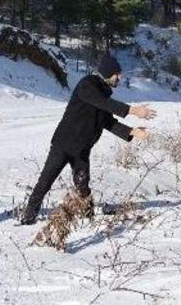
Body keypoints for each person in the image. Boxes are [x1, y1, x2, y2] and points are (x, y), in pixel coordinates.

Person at [19, 53, 156, 225]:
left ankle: (87, 216)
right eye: (117, 74)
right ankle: (28, 217)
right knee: (45, 182)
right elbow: (102, 103)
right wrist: (133, 110)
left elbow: (107, 121)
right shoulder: (87, 84)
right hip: (63, 145)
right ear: (107, 72)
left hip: (82, 150)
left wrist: (133, 131)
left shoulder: (103, 93)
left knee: (83, 185)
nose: (119, 77)